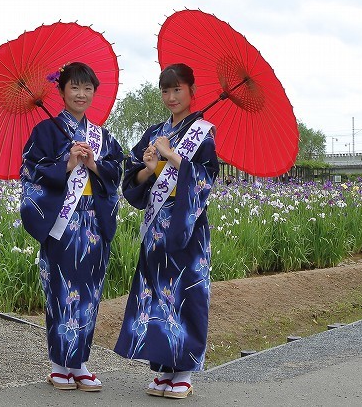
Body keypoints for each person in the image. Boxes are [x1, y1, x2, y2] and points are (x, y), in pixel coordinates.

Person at [113, 63, 219, 399]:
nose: (171, 97)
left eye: (177, 89)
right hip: (156, 230)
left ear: (192, 91)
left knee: (185, 294)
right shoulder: (154, 132)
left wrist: (173, 156)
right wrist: (147, 169)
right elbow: (134, 181)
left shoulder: (203, 133)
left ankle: (184, 371)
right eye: (165, 90)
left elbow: (203, 180)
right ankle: (161, 368)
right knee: (156, 294)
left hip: (186, 228)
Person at [19, 62, 123, 392]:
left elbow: (116, 173)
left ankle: (79, 364)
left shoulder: (102, 136)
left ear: (94, 92)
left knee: (90, 293)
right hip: (61, 222)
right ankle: (58, 365)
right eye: (74, 87)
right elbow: (30, 172)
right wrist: (66, 164)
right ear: (61, 91)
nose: (81, 94)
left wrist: (94, 163)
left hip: (93, 221)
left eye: (87, 88)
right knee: (61, 290)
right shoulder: (45, 132)